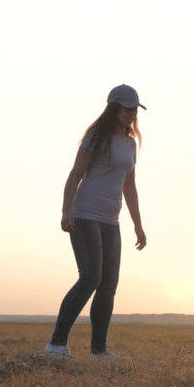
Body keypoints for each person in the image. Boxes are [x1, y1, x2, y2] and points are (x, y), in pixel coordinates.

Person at [45, 85, 148, 360]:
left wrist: (138, 225)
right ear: (113, 108)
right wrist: (66, 211)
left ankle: (99, 350)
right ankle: (56, 344)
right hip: (85, 213)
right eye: (126, 108)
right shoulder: (96, 137)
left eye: (134, 109)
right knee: (90, 277)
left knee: (108, 285)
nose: (130, 113)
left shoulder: (130, 144)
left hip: (110, 220)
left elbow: (130, 187)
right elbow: (76, 174)